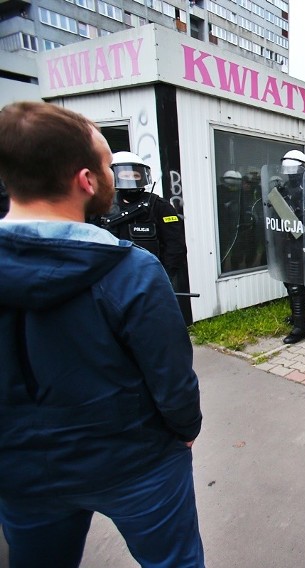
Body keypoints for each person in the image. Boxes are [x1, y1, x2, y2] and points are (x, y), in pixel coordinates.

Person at [0, 101, 204, 566]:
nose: (116, 176)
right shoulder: (130, 271)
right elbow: (171, 373)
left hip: (21, 471)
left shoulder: (140, 249)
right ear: (86, 180)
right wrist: (186, 427)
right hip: (135, 461)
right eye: (109, 166)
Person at [98, 151, 192, 323]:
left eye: (135, 174)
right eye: (124, 174)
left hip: (149, 281)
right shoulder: (104, 207)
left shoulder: (160, 207)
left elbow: (175, 246)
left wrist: (164, 277)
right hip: (113, 281)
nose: (130, 178)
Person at [275, 150, 305, 345]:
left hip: (303, 246)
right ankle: (298, 316)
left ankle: (300, 327)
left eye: (294, 168)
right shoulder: (281, 191)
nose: (290, 173)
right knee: (289, 284)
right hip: (286, 244)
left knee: (297, 287)